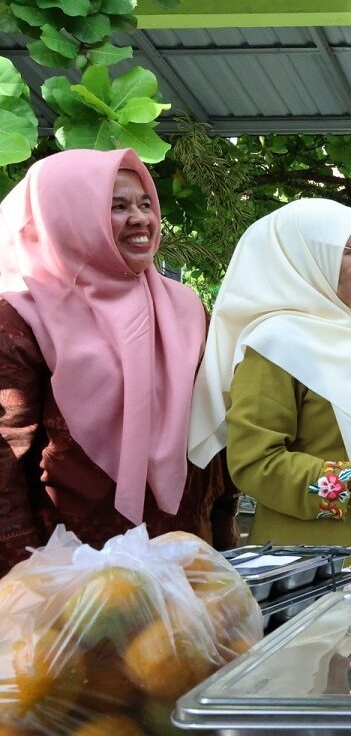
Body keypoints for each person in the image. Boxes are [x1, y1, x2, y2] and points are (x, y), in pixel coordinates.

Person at [0, 149, 236, 575]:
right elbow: (6, 458)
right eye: (117, 206)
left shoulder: (184, 310)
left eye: (146, 203)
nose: (141, 219)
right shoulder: (20, 318)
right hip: (71, 572)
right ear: (66, 217)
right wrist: (25, 575)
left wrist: (222, 539)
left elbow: (213, 438)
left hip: (183, 558)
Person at [188, 198, 351, 590]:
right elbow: (254, 464)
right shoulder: (275, 344)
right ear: (306, 256)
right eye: (350, 251)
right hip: (321, 561)